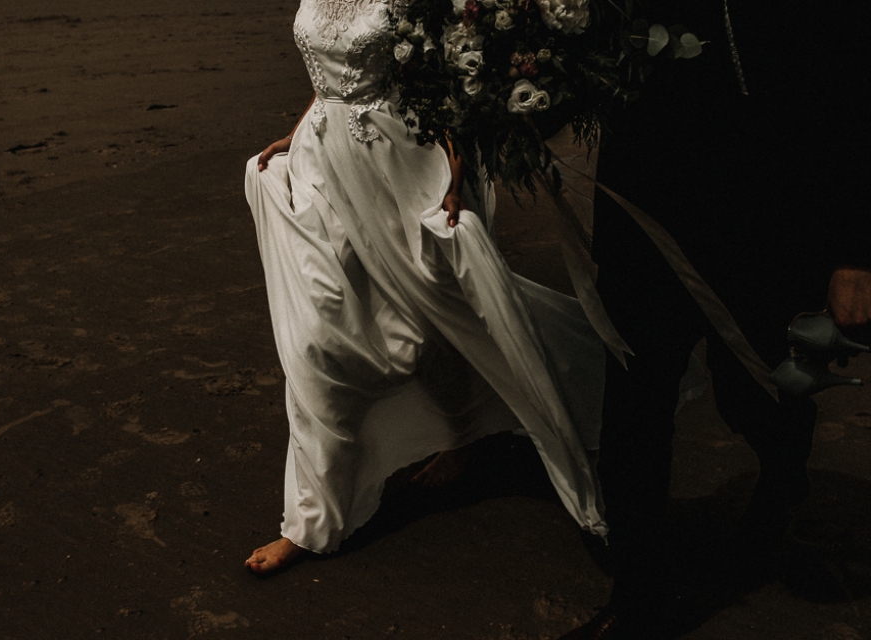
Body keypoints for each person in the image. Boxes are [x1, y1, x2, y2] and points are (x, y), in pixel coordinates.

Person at [243, 0, 610, 574]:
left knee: (447, 312)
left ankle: (484, 429)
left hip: (401, 166)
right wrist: (294, 137)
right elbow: (324, 80)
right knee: (316, 334)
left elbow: (455, 92)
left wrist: (457, 179)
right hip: (323, 166)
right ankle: (312, 519)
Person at [561, 1, 870, 638]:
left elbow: (853, 94)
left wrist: (853, 254)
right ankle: (636, 595)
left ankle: (782, 484)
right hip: (643, 205)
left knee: (755, 391)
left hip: (765, 212)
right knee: (635, 396)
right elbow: (586, 61)